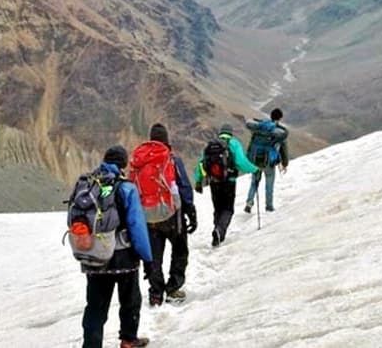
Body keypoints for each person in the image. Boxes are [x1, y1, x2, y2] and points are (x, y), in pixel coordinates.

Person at [81, 146, 153, 348]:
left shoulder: (89, 186)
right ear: (123, 165)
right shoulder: (126, 188)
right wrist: (147, 259)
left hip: (96, 257)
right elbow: (137, 227)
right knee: (130, 301)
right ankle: (128, 340)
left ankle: (91, 345)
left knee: (95, 307)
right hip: (124, 258)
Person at [144, 123, 197, 306]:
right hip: (172, 216)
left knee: (154, 256)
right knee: (180, 250)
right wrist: (190, 211)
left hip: (148, 217)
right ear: (166, 140)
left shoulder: (140, 161)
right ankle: (173, 288)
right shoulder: (172, 160)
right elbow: (184, 187)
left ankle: (155, 293)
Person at [194, 124, 258, 247]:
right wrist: (255, 169)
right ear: (230, 133)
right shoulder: (234, 144)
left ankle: (216, 232)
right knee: (228, 209)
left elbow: (201, 164)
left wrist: (198, 181)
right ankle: (219, 231)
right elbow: (241, 162)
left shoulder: (210, 145)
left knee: (218, 208)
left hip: (214, 182)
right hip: (229, 182)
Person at [245, 108, 289, 213]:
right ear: (279, 118)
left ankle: (249, 203)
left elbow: (249, 123)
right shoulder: (279, 132)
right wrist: (285, 163)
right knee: (269, 184)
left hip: (255, 159)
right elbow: (284, 148)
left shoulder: (258, 127)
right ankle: (269, 206)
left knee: (254, 182)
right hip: (269, 161)